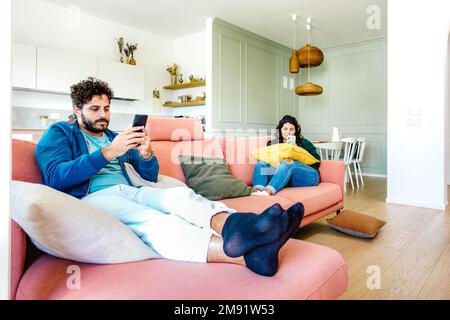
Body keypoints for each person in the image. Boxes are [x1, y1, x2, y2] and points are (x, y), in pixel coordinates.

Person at [35, 77, 304, 277]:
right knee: (153, 221)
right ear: (76, 108)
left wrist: (147, 152)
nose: (103, 115)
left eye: (106, 109)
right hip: (94, 198)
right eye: (95, 109)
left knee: (180, 196)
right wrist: (107, 153)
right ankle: (245, 256)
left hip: (131, 189)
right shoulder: (60, 133)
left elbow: (148, 176)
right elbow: (56, 177)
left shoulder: (114, 136)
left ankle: (243, 228)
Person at [252, 115, 321, 196]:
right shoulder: (273, 143)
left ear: (296, 131)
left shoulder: (304, 143)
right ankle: (258, 191)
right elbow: (269, 162)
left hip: (308, 175)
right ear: (280, 130)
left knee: (287, 162)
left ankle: (268, 192)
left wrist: (297, 150)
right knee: (261, 163)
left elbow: (316, 161)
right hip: (284, 176)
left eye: (291, 129)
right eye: (285, 129)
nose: (288, 132)